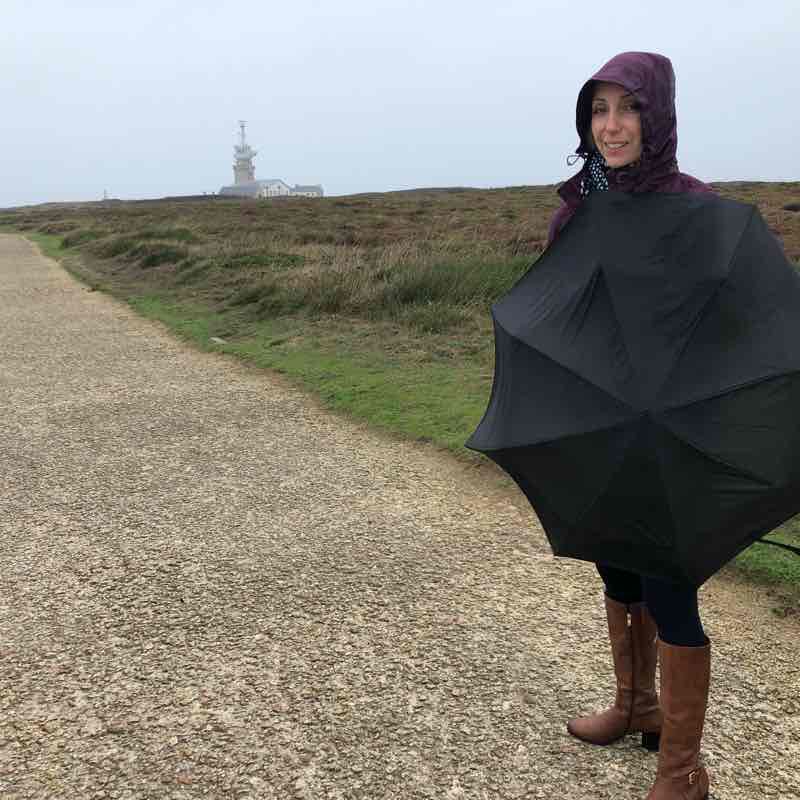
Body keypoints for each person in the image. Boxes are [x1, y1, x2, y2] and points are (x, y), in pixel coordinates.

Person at [547, 52, 713, 800]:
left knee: (669, 586)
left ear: (658, 114)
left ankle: (682, 769)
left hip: (672, 425)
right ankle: (637, 705)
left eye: (628, 108)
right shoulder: (576, 207)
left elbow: (727, 323)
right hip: (601, 418)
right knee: (616, 564)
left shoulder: (694, 206)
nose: (611, 126)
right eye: (599, 110)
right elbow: (559, 313)